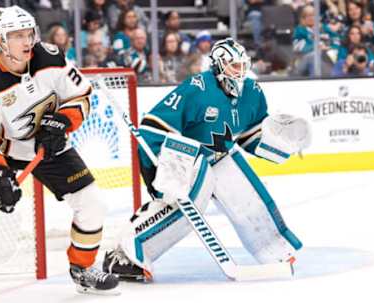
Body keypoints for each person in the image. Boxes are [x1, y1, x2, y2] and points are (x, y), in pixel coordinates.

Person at [0, 5, 118, 303]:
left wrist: (64, 122)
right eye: (17, 36)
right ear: (1, 40)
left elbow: (81, 96)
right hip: (1, 148)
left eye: (29, 33)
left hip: (45, 146)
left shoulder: (51, 57)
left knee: (92, 202)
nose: (27, 40)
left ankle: (82, 269)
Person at [102, 38, 310, 281]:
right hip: (184, 160)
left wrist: (279, 145)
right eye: (234, 66)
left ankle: (274, 249)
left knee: (247, 196)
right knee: (183, 207)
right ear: (219, 66)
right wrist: (159, 171)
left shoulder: (252, 92)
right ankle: (125, 255)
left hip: (219, 157)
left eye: (243, 65)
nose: (240, 71)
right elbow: (152, 127)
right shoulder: (196, 89)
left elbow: (248, 136)